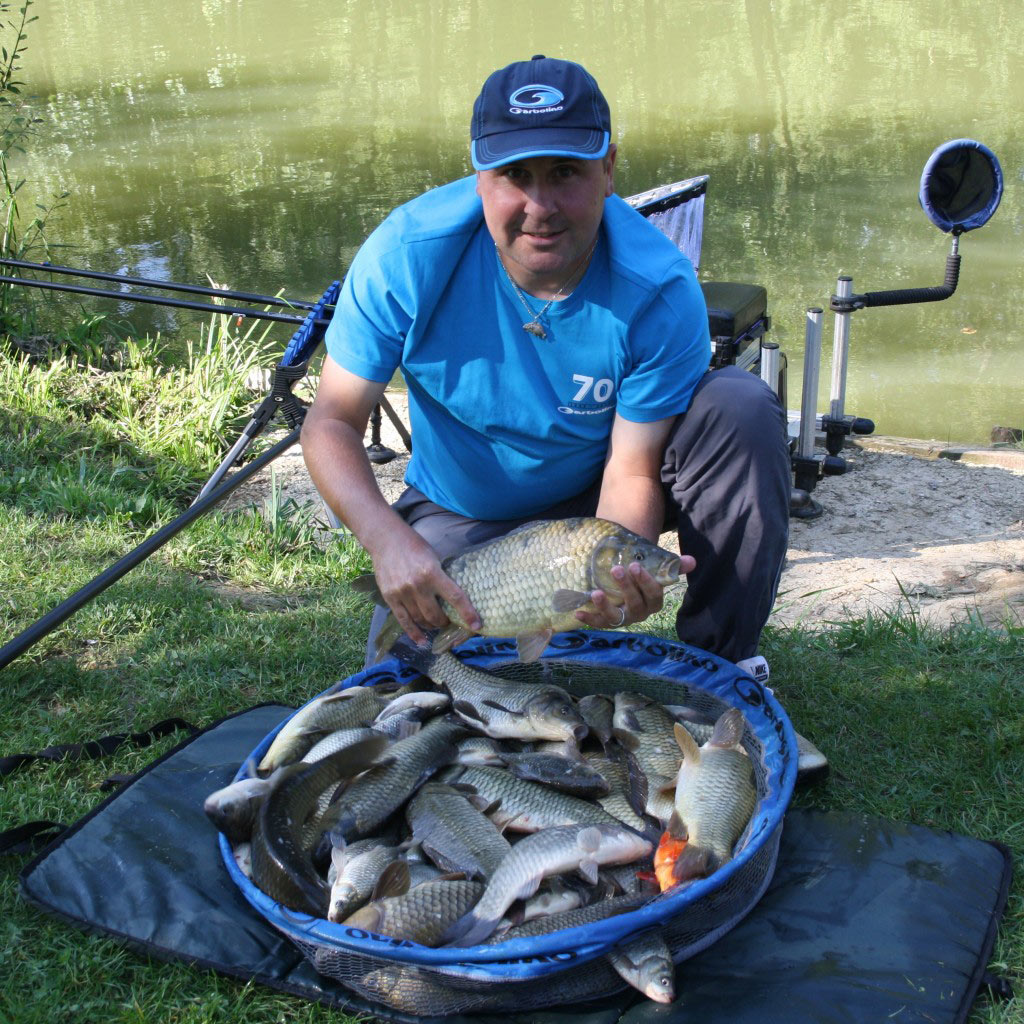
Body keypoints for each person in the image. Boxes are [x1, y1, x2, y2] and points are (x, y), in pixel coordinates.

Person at [301, 55, 791, 678]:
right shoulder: (406, 256)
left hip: (594, 495)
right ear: (480, 178)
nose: (541, 205)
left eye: (566, 173)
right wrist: (388, 542)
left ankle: (719, 671)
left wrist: (614, 578)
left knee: (739, 407)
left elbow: (633, 468)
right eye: (514, 175)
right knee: (418, 688)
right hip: (463, 510)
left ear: (609, 169)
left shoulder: (659, 286)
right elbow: (331, 423)